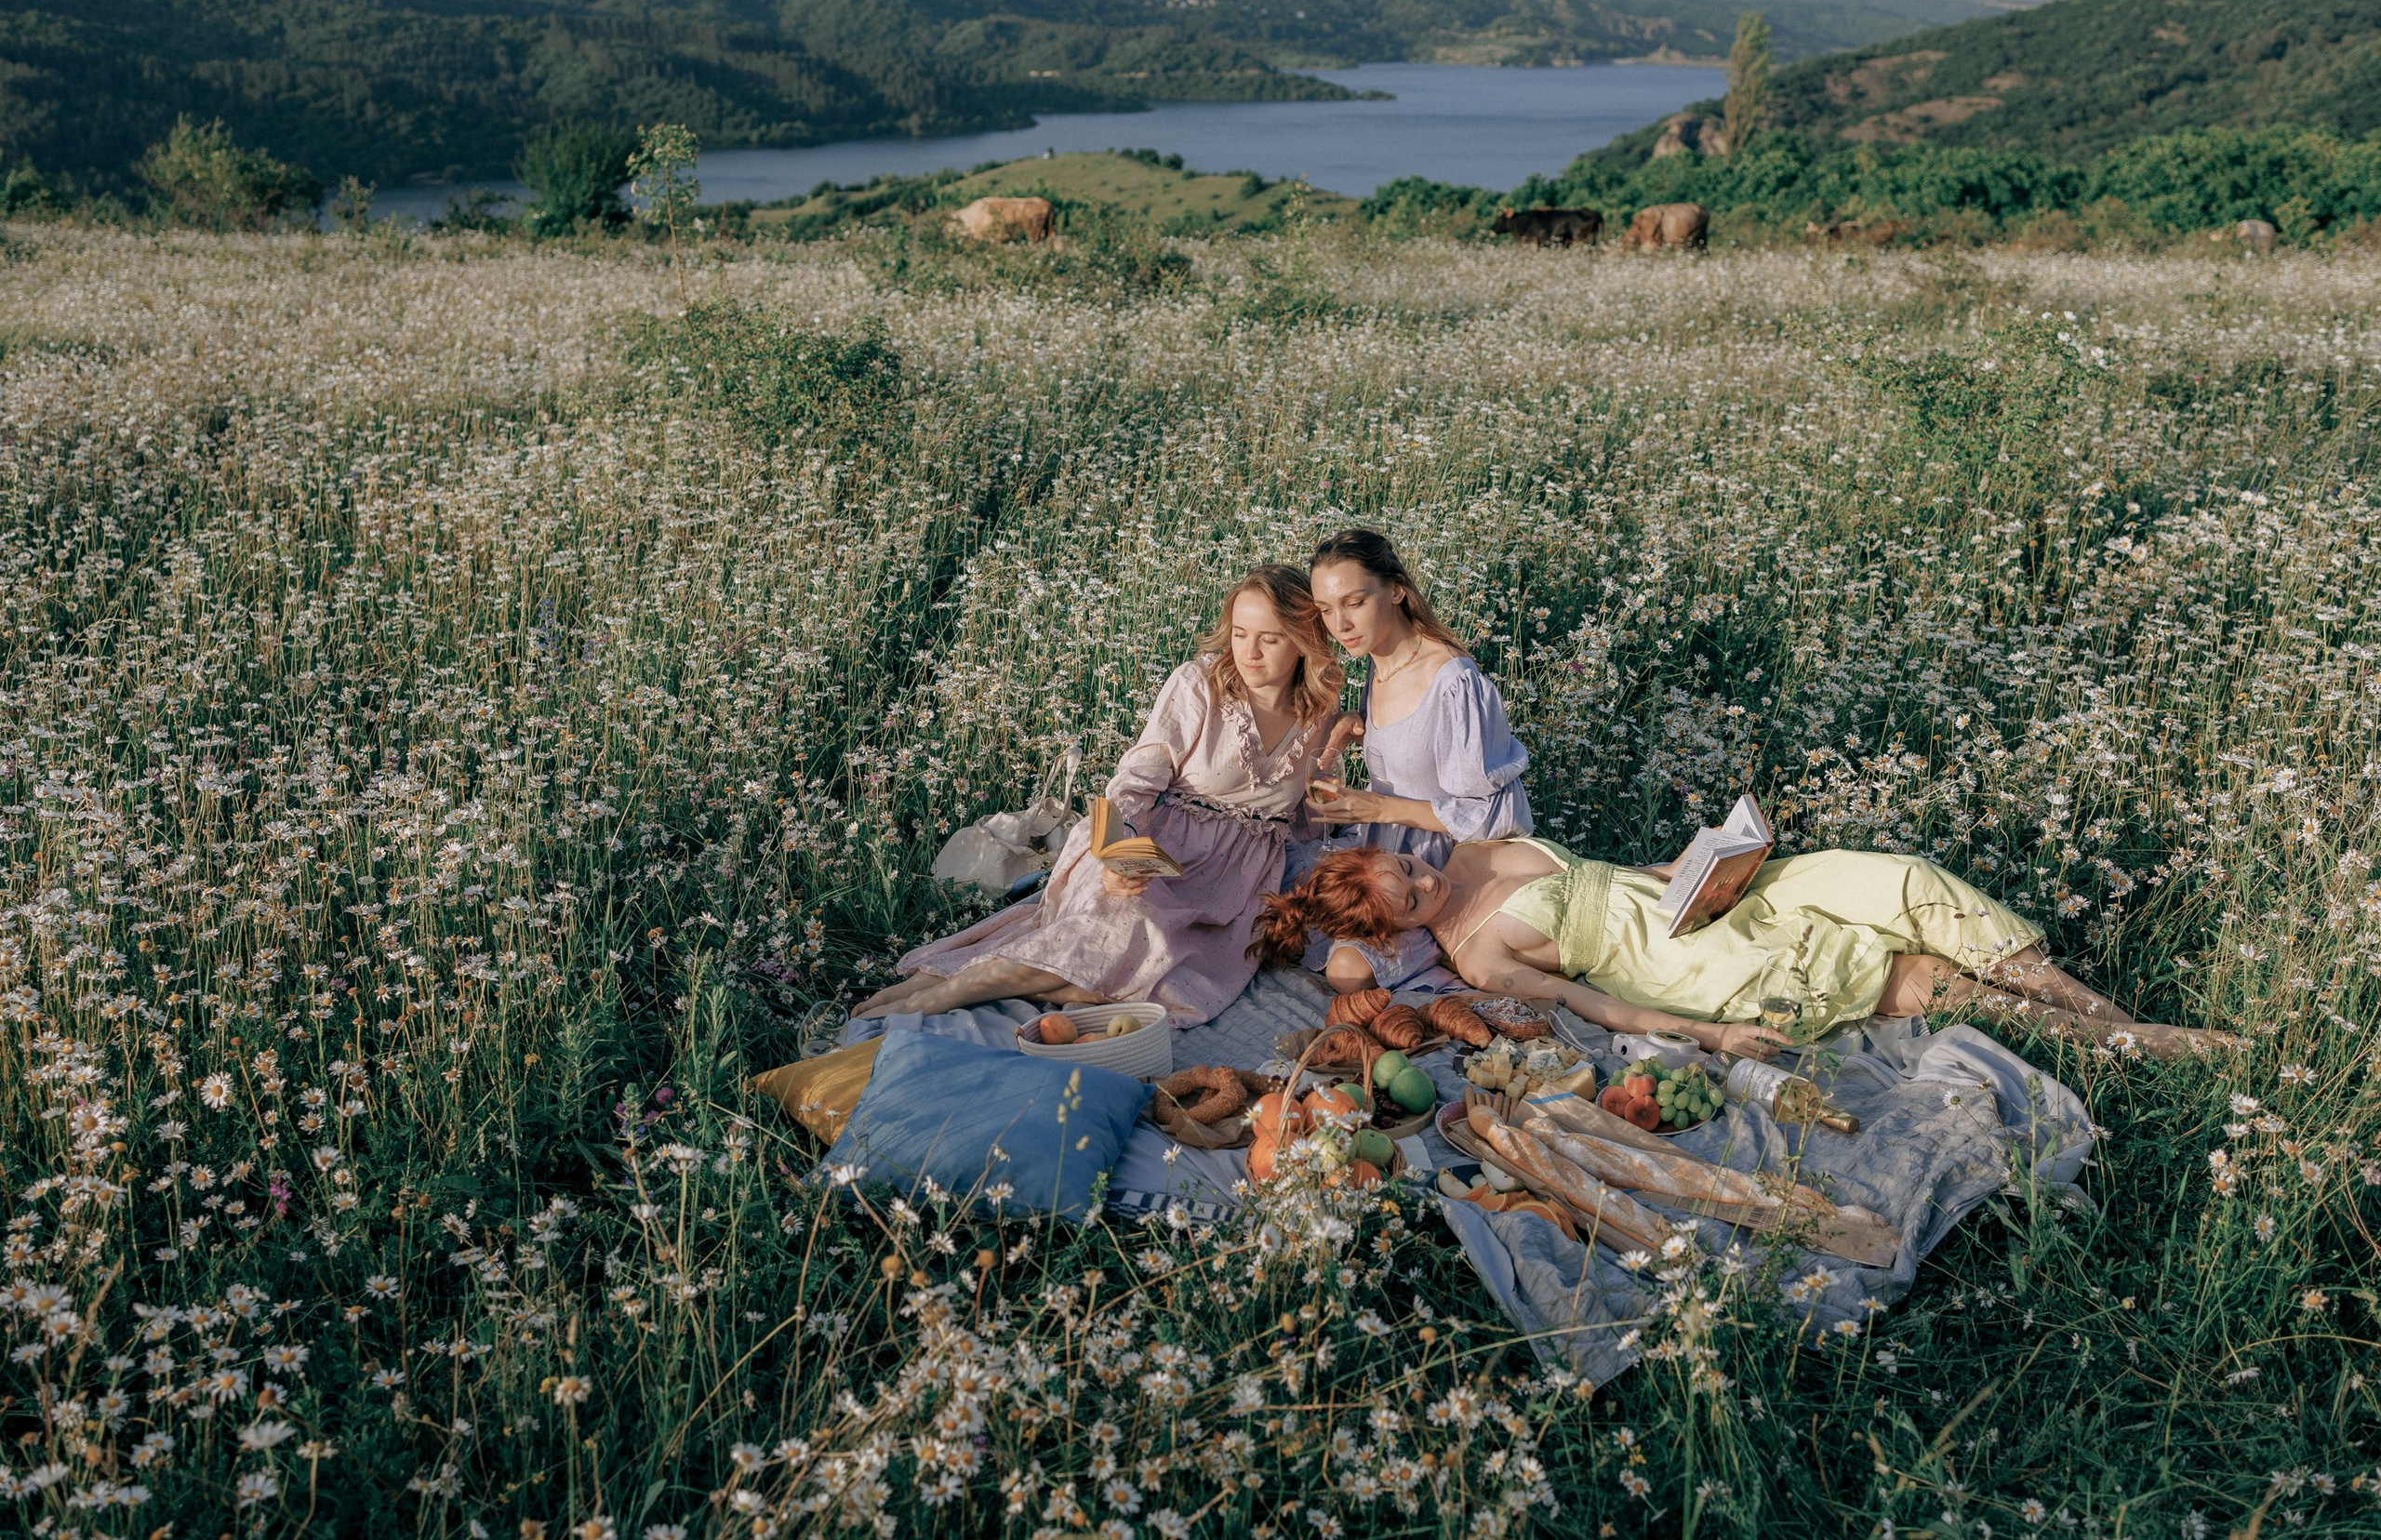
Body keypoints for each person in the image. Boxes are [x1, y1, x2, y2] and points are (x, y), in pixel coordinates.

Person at [856, 565, 1355, 1027]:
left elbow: (1307, 820)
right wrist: (1116, 853)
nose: (1249, 653)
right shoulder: (1199, 684)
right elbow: (1131, 783)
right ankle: (943, 995)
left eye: (1270, 639)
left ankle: (971, 985)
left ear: (1304, 642)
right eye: (1241, 634)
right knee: (1125, 927)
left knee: (1172, 985)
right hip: (1152, 851)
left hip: (1234, 885)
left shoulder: (1322, 710)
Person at [1253, 838, 2227, 1059]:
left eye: (1407, 866)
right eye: (1409, 897)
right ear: (1393, 931)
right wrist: (1710, 1040)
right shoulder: (1475, 961)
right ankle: (2147, 1048)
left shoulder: (1470, 849)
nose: (1428, 879)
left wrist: (1696, 866)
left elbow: (1598, 869)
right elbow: (1607, 1011)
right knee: (1912, 979)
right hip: (1686, 962)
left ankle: (2110, 1016)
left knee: (1899, 882)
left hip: (1706, 898)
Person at [1292, 527, 1532, 994]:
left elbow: (1499, 817)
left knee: (1349, 969)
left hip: (1439, 875)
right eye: (1326, 610)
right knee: (1278, 886)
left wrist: (1381, 809)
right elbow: (1413, 741)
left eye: (1355, 602)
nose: (1339, 624)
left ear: (1397, 590)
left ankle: (1443, 945)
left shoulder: (1455, 683)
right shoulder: (1380, 662)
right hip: (1384, 858)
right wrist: (1352, 724)